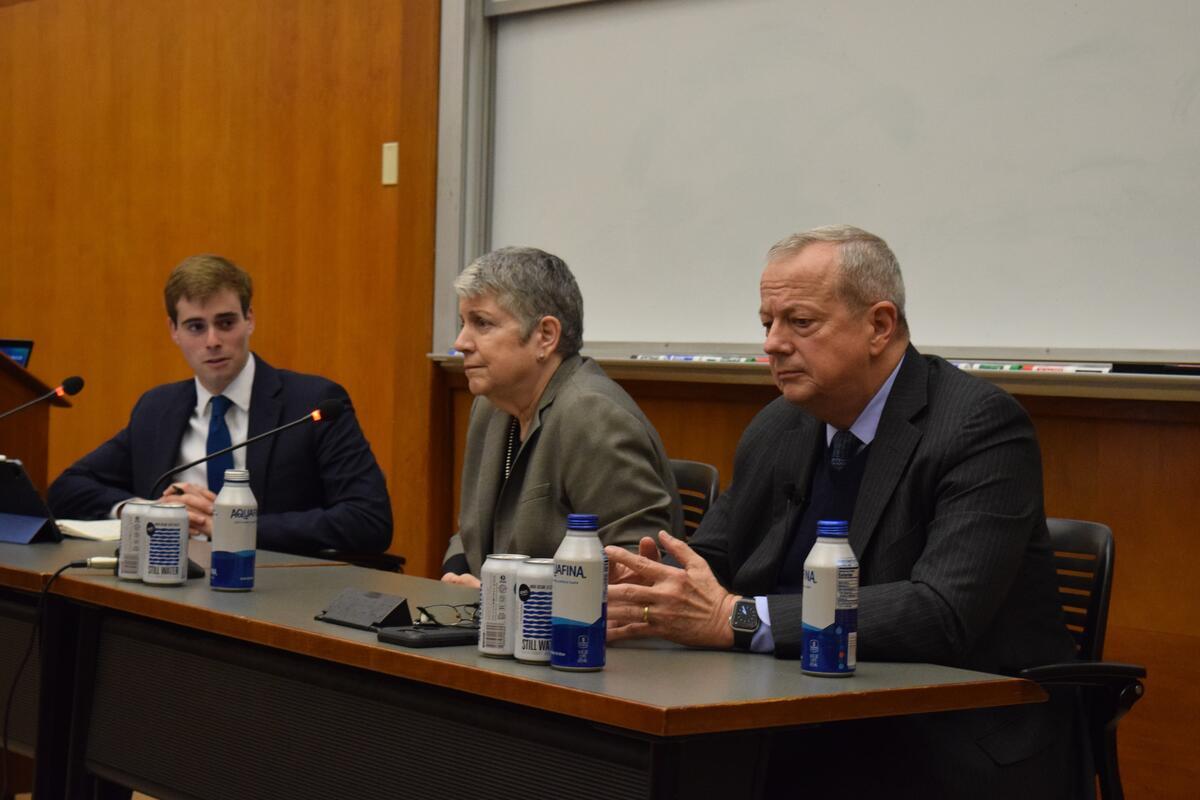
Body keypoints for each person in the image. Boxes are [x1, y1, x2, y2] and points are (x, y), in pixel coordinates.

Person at [605, 226, 1085, 798]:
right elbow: (715, 560)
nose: (774, 345)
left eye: (800, 323)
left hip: (938, 736)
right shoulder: (779, 425)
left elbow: (940, 614)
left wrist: (737, 618)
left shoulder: (978, 428)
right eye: (768, 323)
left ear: (879, 325)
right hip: (786, 716)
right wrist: (646, 588)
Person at [48, 254, 392, 556]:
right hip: (168, 583)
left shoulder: (312, 403)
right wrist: (148, 510)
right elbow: (66, 490)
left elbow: (369, 519)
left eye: (225, 323)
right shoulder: (158, 409)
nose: (212, 341)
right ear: (174, 331)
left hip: (273, 589)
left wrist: (231, 526)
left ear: (250, 319)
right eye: (196, 327)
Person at [441, 246, 681, 588]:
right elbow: (473, 531)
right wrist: (454, 576)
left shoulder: (593, 415)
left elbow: (638, 566)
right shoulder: (491, 406)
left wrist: (510, 600)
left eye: (482, 323)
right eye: (463, 323)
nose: (461, 342)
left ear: (545, 336)